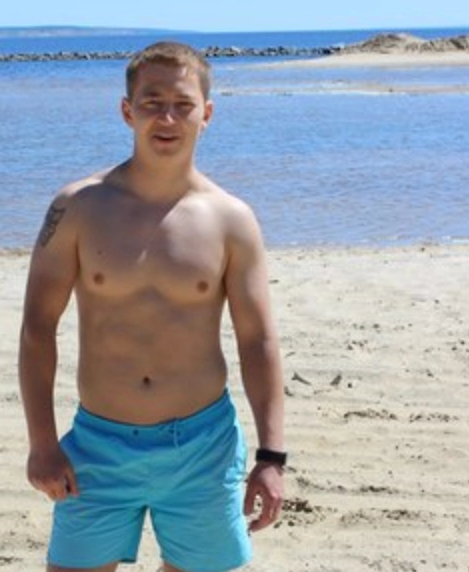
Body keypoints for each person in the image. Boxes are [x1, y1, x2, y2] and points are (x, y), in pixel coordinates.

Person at [18, 40, 286, 572]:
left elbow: (258, 340)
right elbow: (37, 328)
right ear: (127, 111)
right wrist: (42, 443)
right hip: (98, 445)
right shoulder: (78, 207)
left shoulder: (231, 219)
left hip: (203, 447)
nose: (167, 118)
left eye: (183, 104)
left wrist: (271, 457)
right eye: (152, 102)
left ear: (207, 114)